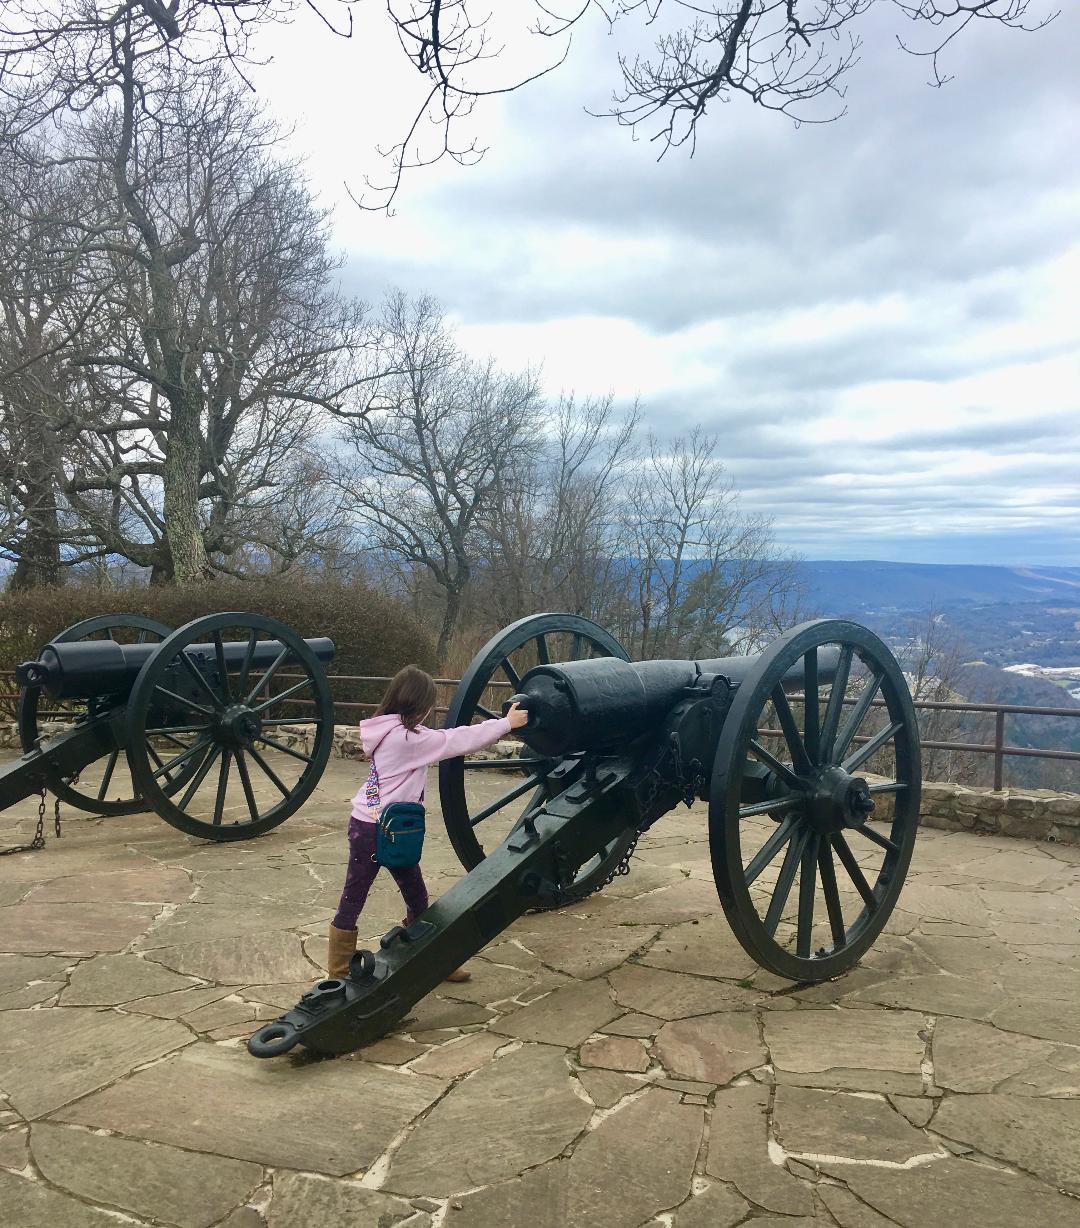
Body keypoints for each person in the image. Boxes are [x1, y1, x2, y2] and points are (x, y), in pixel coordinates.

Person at [327, 664, 529, 983]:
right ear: (420, 706)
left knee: (402, 895)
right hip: (379, 830)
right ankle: (338, 975)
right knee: (363, 898)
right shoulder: (408, 739)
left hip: (371, 823)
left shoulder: (386, 729)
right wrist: (506, 723)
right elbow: (458, 740)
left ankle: (430, 960)